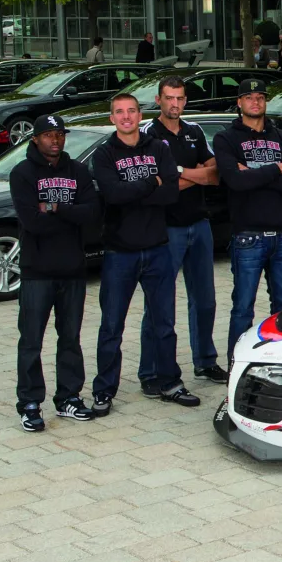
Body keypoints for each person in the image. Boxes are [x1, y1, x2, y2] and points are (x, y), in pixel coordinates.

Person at [90, 92, 198, 415]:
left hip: (157, 249)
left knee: (164, 322)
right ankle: (104, 390)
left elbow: (171, 193)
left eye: (131, 111)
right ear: (112, 118)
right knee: (112, 326)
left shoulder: (158, 148)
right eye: (119, 112)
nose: (126, 117)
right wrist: (151, 183)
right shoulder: (104, 153)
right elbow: (113, 195)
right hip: (119, 253)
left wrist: (135, 192)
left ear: (140, 116)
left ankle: (169, 382)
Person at [9, 114, 101, 431]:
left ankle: (68, 398)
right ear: (35, 139)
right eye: (48, 134)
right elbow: (32, 222)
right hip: (37, 272)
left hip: (73, 269)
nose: (55, 140)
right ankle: (30, 403)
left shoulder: (78, 171)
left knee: (70, 338)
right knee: (31, 341)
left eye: (60, 134)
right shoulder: (22, 173)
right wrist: (70, 214)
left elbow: (92, 213)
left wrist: (55, 207)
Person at [138, 76, 226, 392]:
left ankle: (205, 361)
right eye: (169, 98)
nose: (174, 104)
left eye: (179, 98)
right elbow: (159, 185)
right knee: (159, 303)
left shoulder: (194, 131)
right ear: (158, 100)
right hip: (166, 229)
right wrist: (193, 176)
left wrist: (178, 173)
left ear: (185, 101)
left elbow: (215, 174)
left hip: (199, 225)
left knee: (205, 300)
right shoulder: (148, 135)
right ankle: (150, 372)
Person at [213, 77, 282, 362]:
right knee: (243, 308)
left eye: (260, 97)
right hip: (247, 237)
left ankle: (279, 363)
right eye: (249, 97)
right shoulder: (226, 139)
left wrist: (253, 174)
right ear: (239, 102)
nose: (255, 102)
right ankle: (237, 365)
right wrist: (277, 169)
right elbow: (235, 182)